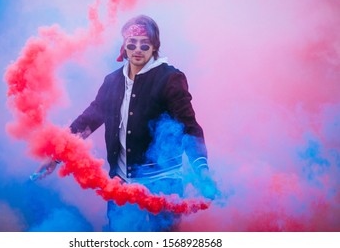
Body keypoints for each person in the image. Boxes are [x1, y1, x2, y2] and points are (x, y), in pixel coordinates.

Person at [37, 15, 216, 231]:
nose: (138, 49)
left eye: (144, 44)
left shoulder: (170, 78)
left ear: (154, 47)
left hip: (163, 183)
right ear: (125, 46)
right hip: (121, 183)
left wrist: (202, 171)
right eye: (132, 44)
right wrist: (57, 156)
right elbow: (89, 119)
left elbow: (189, 126)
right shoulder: (112, 81)